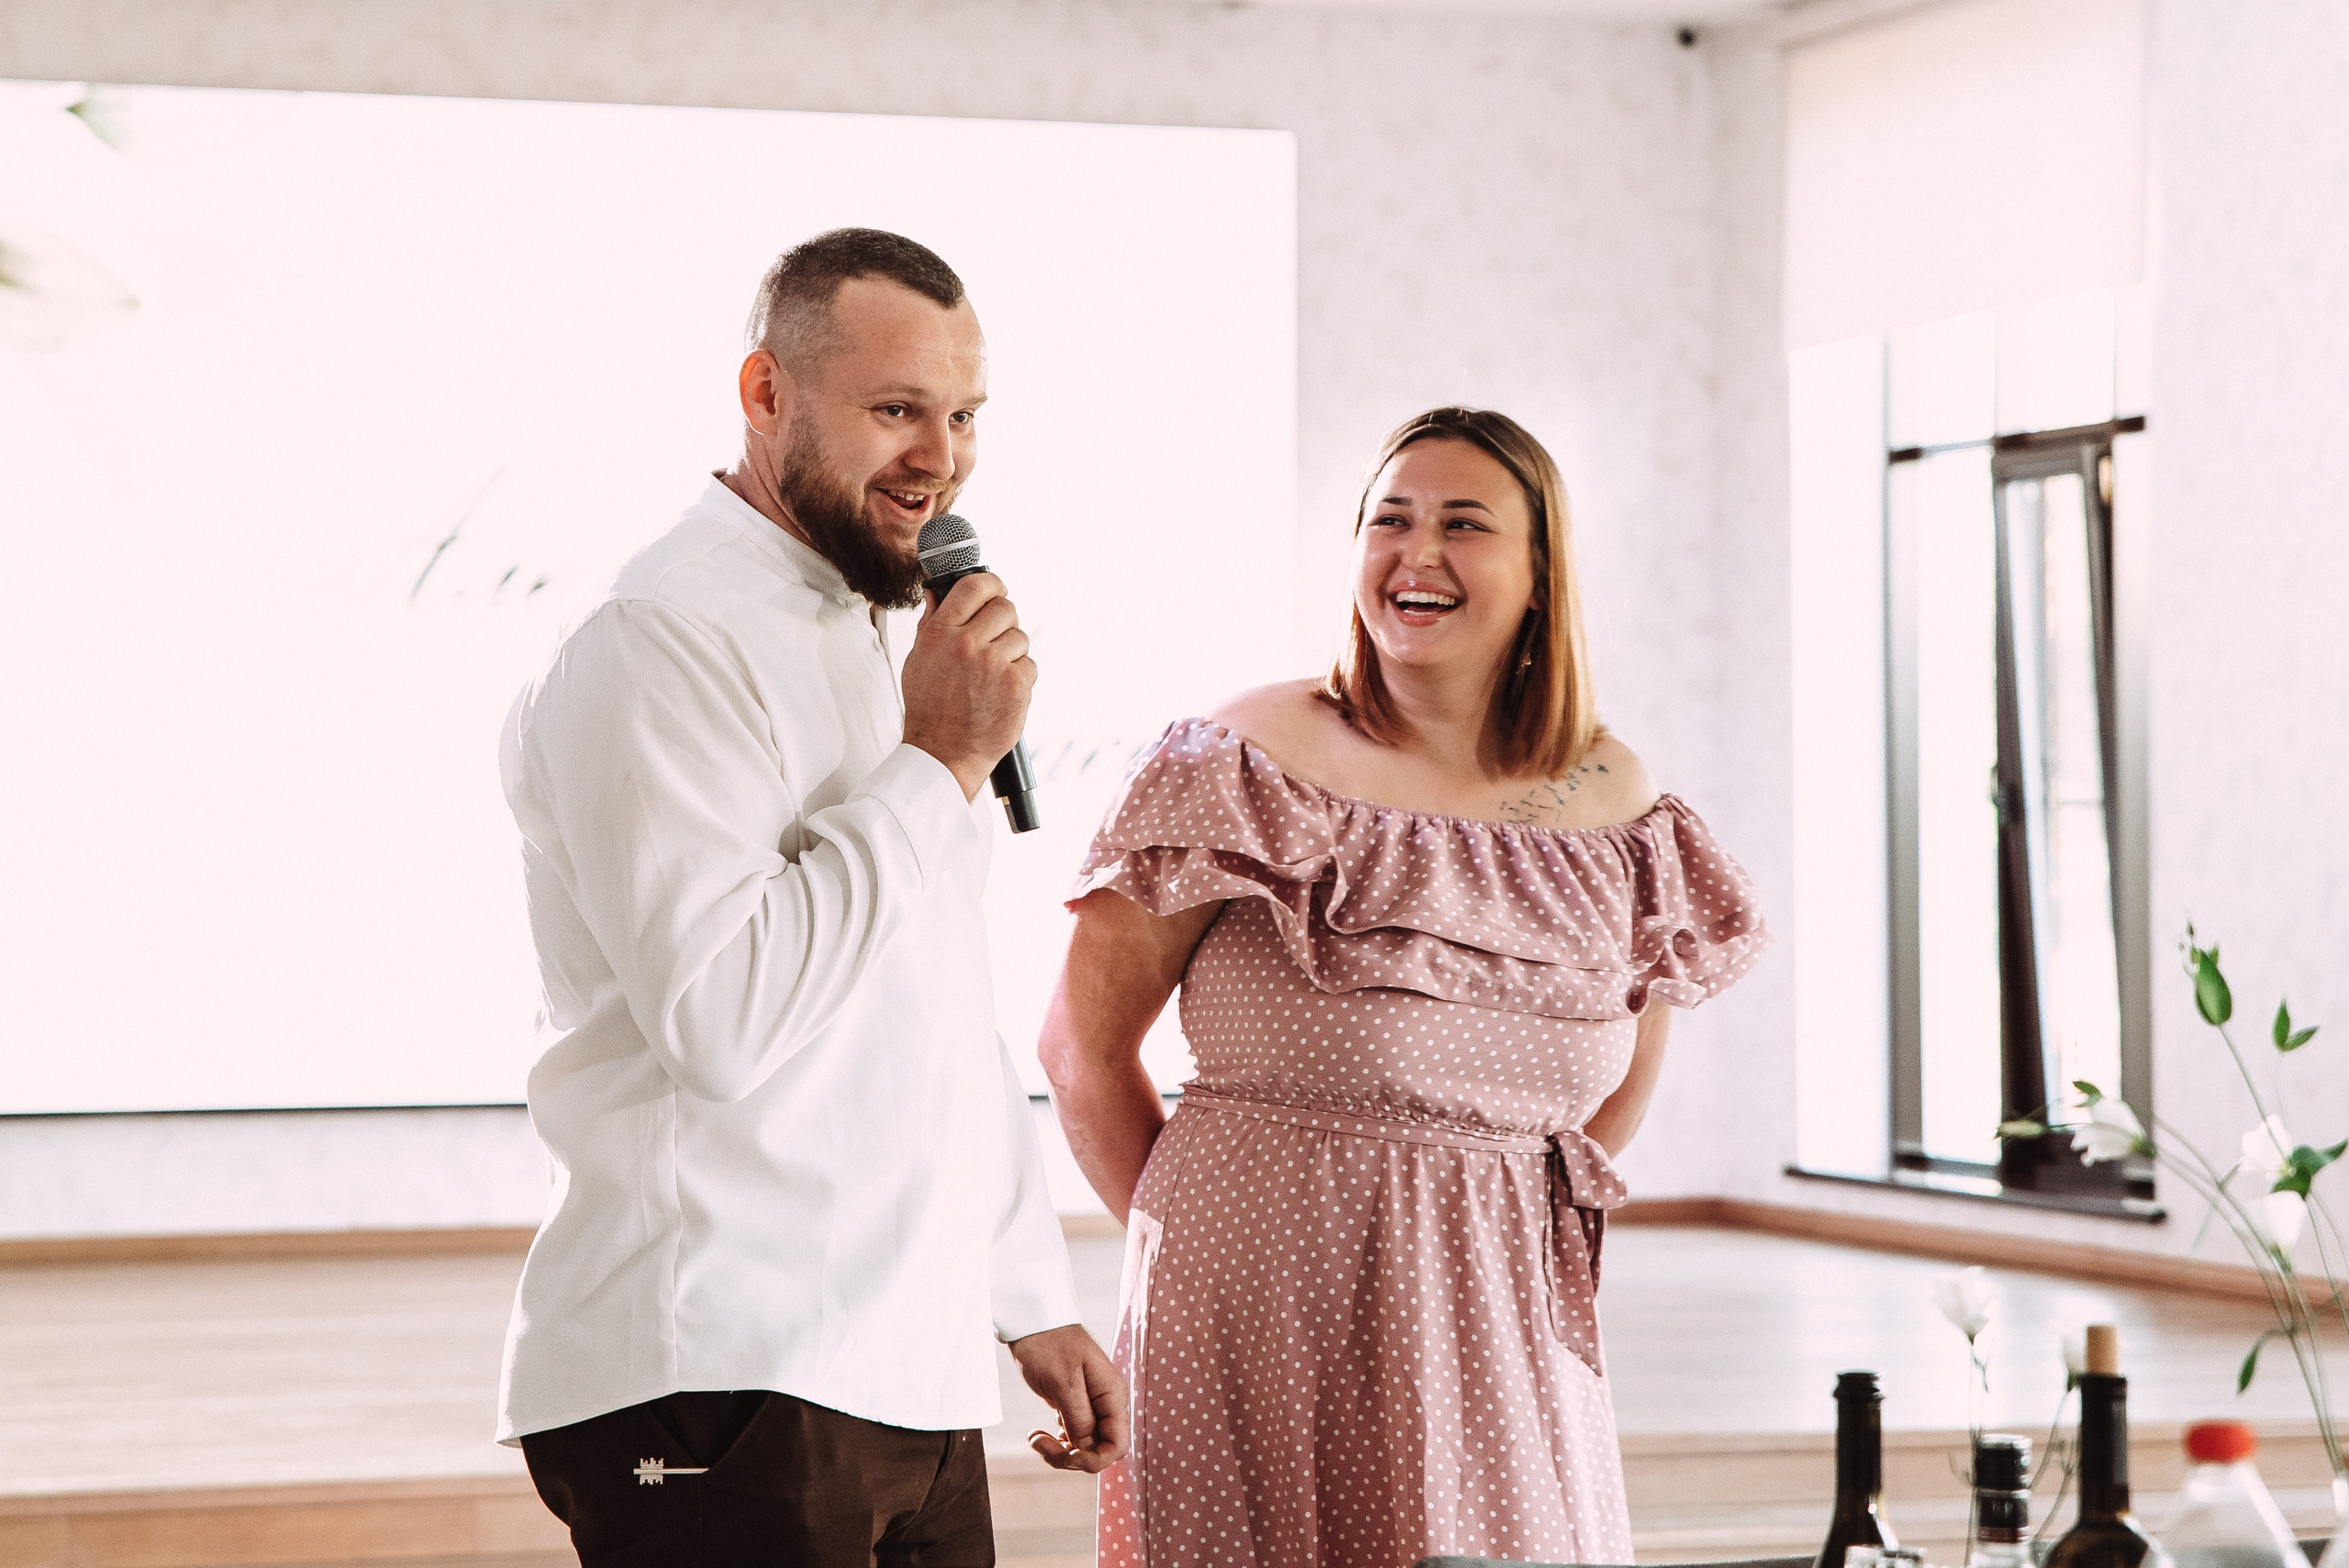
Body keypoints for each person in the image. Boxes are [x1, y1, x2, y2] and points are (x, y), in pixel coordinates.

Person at [495, 228, 1127, 1567]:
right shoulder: (659, 635)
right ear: (765, 393)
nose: (939, 455)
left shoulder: (865, 629)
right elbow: (720, 1021)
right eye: (896, 408)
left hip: (908, 1365)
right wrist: (941, 759)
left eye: (962, 416)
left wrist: (1024, 1290)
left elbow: (934, 1003)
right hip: (723, 1369)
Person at [1041, 406, 1769, 1567]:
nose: (1414, 554)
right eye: (1389, 519)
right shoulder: (1239, 757)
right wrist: (1212, 1263)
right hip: (1251, 1310)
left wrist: (1501, 1212)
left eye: (1462, 524)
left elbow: (1615, 1084)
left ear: (1540, 573)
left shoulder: (1612, 795)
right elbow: (1081, 1051)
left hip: (1503, 1320)